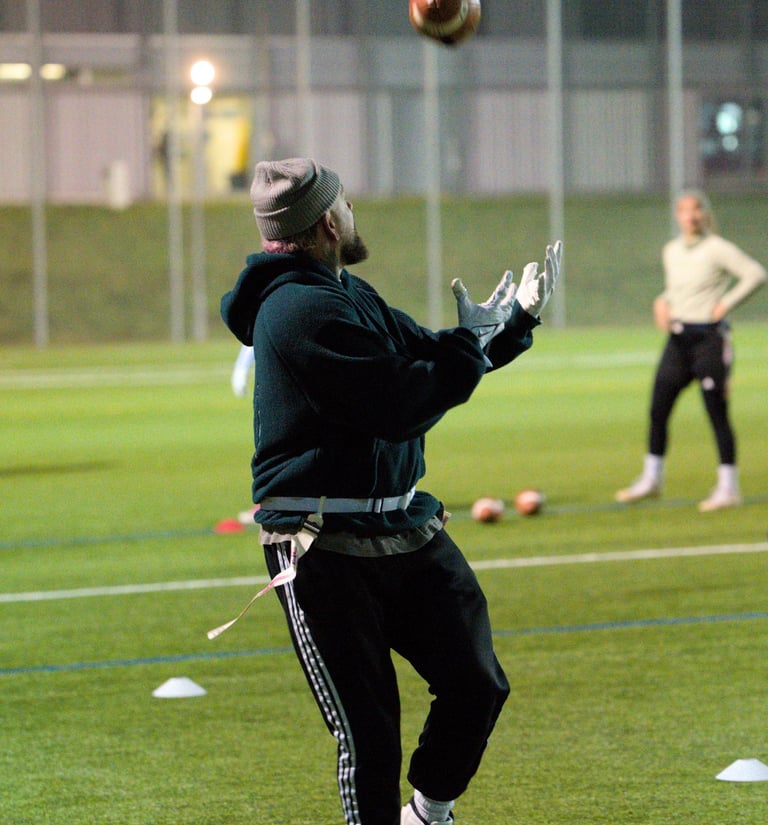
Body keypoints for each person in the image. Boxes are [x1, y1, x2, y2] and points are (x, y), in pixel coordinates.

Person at [219, 157, 562, 825]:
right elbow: (401, 400)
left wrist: (507, 327)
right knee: (370, 736)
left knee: (475, 682)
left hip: (402, 530)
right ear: (326, 221)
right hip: (323, 547)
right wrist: (466, 347)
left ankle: (428, 814)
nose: (352, 213)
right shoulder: (297, 308)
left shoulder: (349, 291)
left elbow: (430, 353)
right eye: (344, 203)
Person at [616, 189, 765, 512]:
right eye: (684, 209)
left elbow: (756, 274)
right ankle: (651, 479)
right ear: (678, 216)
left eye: (696, 209)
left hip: (709, 340)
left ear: (705, 214)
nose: (691, 214)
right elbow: (677, 287)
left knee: (716, 413)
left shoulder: (717, 248)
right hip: (678, 340)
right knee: (658, 409)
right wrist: (663, 300)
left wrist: (726, 302)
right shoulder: (672, 250)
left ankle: (729, 487)